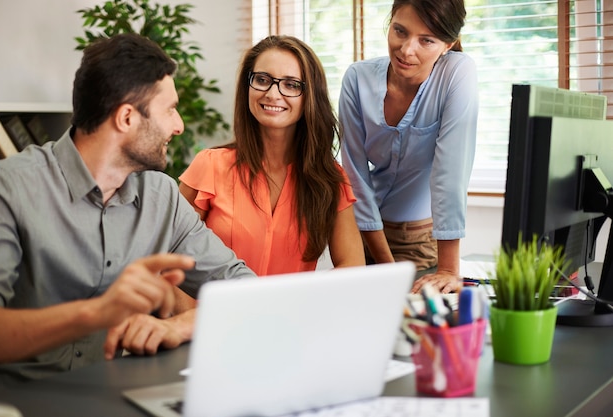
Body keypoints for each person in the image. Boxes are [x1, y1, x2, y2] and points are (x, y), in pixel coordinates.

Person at [0, 33, 255, 382]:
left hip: (109, 393)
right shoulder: (9, 186)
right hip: (14, 398)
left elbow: (245, 289)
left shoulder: (162, 196)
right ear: (126, 118)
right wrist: (96, 313)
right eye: (170, 110)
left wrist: (181, 325)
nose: (179, 126)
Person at [179, 35, 365, 276]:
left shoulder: (329, 178)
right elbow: (171, 257)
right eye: (262, 80)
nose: (273, 93)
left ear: (310, 97)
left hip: (291, 311)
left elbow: (353, 268)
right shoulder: (210, 165)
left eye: (291, 84)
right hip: (214, 311)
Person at [338, 0, 478, 294]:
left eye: (426, 40)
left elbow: (449, 173)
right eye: (399, 31)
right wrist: (386, 266)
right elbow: (354, 174)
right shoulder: (357, 78)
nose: (406, 49)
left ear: (448, 44)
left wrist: (449, 270)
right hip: (357, 234)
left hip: (417, 242)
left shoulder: (457, 73)